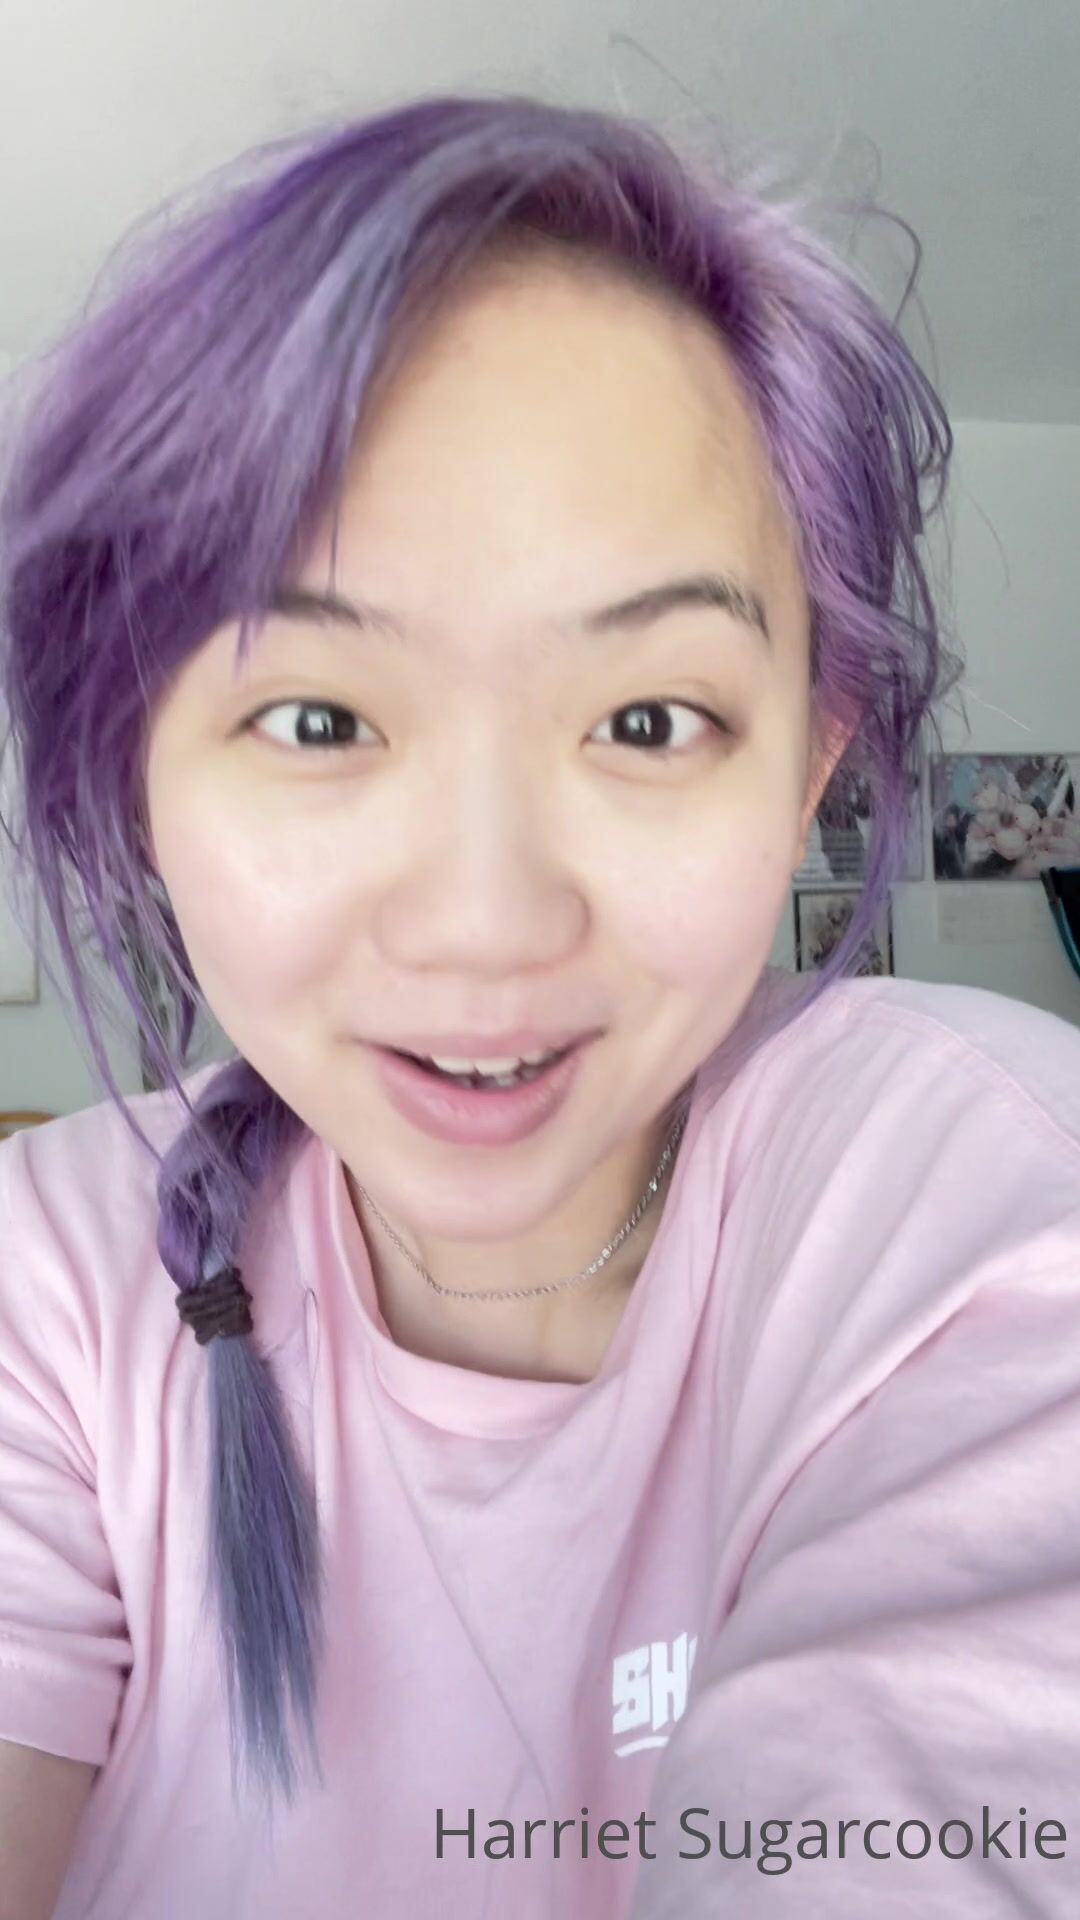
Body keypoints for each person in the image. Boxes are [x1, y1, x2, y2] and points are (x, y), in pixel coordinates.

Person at [1, 91, 1079, 1920]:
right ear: (138, 772)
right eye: (319, 718)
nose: (489, 923)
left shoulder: (965, 1189)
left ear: (807, 770)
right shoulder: (51, 1280)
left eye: (649, 720)